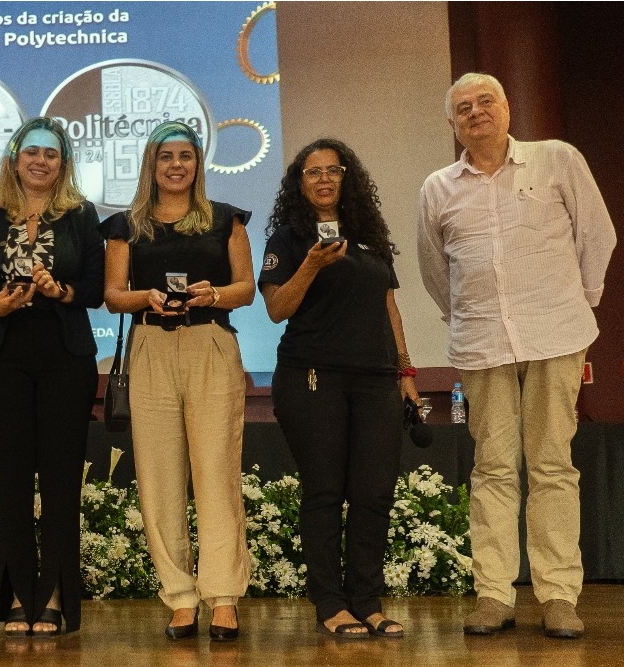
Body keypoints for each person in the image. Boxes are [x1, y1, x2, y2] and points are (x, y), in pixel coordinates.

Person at [418, 72, 616, 639]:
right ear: (451, 123)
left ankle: (557, 596)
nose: (475, 112)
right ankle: (494, 595)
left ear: (506, 109)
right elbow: (436, 271)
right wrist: (464, 317)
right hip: (482, 344)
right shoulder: (438, 187)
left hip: (555, 336)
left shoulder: (556, 159)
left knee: (553, 464)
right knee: (493, 469)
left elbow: (597, 237)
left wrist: (579, 307)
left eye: (486, 102)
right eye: (463, 107)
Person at [259, 138, 419, 640]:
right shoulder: (286, 239)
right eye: (313, 172)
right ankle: (330, 602)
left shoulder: (367, 235)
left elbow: (388, 307)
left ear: (346, 178)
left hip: (376, 379)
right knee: (325, 491)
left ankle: (367, 601)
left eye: (333, 170)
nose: (324, 178)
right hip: (312, 376)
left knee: (373, 493)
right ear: (298, 183)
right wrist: (311, 264)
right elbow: (277, 308)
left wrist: (407, 373)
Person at [103, 121, 255, 642]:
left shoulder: (226, 220)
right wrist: (143, 297)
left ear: (198, 163)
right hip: (150, 345)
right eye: (165, 156)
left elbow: (247, 290)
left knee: (216, 471)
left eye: (184, 156)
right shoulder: (126, 225)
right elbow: (112, 296)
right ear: (151, 164)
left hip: (210, 343)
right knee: (159, 477)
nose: (175, 165)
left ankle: (224, 597)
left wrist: (213, 294)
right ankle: (180, 597)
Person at [0, 117, 104, 637]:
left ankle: (55, 597)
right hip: (4, 358)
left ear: (62, 163)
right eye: (32, 152)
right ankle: (18, 597)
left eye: (51, 153)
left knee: (63, 481)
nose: (40, 160)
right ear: (15, 159)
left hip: (66, 358)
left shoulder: (81, 216)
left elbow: (94, 286)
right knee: (12, 482)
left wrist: (59, 290)